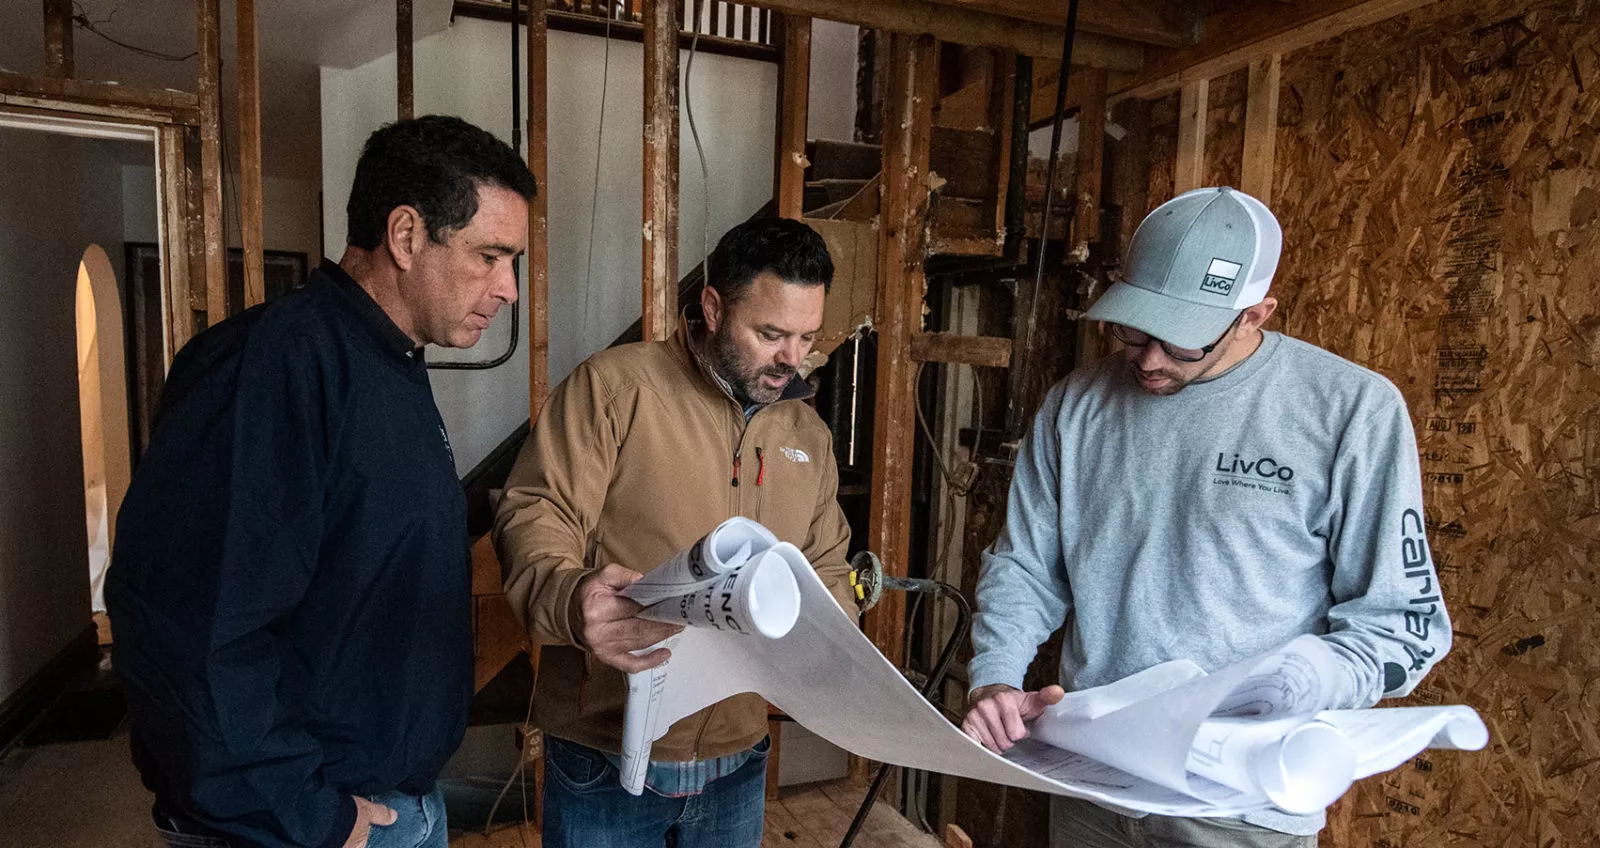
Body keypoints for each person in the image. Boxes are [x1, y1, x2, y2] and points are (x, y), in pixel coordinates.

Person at [961, 187, 1451, 847]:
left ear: (1255, 315)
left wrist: (1317, 676)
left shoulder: (1350, 413)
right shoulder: (1076, 406)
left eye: (1181, 341)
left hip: (1240, 807)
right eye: (1132, 330)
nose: (1150, 359)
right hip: (1089, 786)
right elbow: (1025, 566)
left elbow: (1402, 625)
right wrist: (997, 673)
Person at [106, 115, 536, 848]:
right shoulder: (274, 367)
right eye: (491, 256)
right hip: (304, 823)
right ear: (406, 236)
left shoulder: (389, 362)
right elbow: (193, 627)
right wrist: (308, 815)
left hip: (382, 802)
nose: (510, 290)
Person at [493, 217, 857, 848]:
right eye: (770, 333)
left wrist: (832, 633)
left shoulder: (807, 433)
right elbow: (535, 511)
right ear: (713, 307)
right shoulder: (614, 387)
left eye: (806, 337)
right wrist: (569, 596)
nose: (792, 359)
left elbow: (827, 567)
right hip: (602, 752)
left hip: (739, 759)